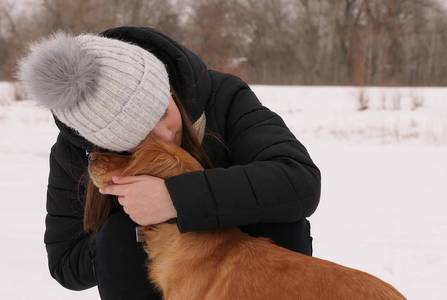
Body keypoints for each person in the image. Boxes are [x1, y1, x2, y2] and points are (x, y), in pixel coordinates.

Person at [16, 26, 321, 299]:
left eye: (162, 112)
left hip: (251, 275)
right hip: (157, 281)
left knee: (278, 210)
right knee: (119, 236)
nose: (165, 135)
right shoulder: (76, 152)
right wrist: (143, 225)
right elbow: (66, 264)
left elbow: (301, 182)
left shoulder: (223, 96)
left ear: (167, 87)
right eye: (140, 138)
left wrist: (177, 200)